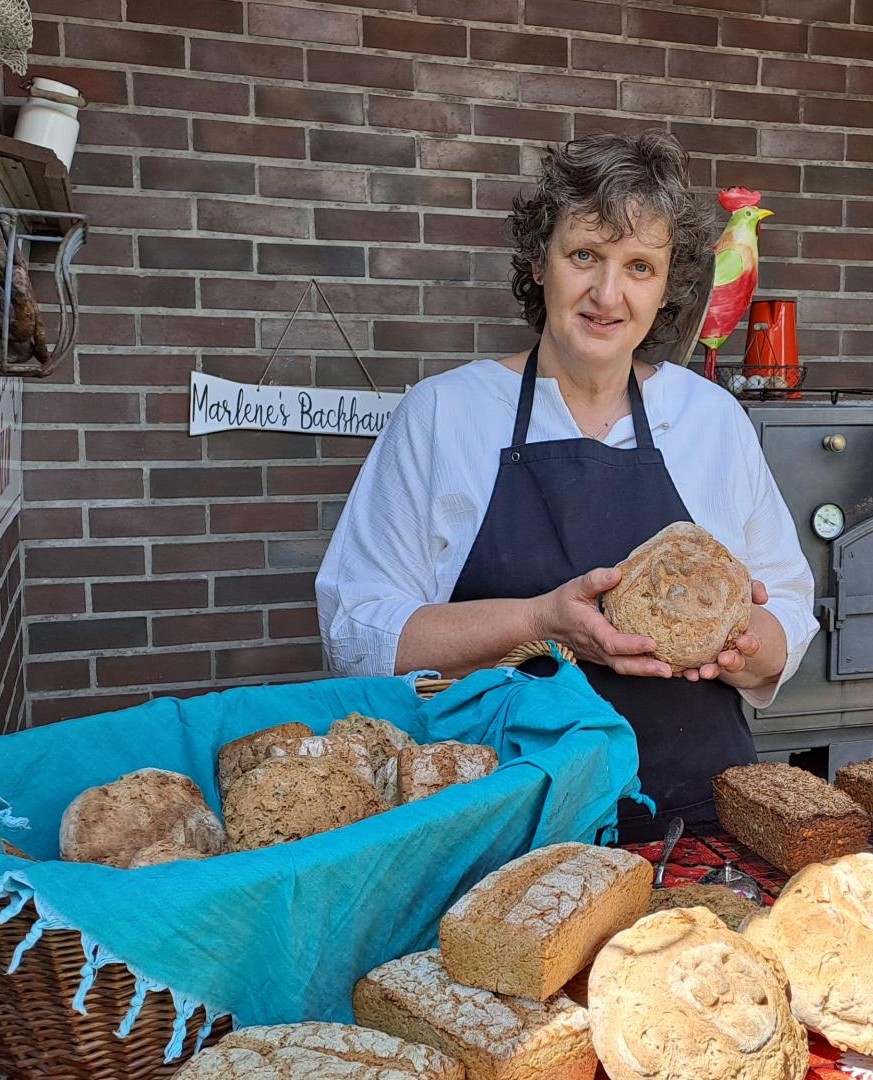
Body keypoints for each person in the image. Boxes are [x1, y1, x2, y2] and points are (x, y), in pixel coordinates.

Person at [315, 131, 816, 843]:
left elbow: (790, 611)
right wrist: (541, 622)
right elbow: (355, 634)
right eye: (585, 255)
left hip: (695, 825)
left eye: (639, 266)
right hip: (500, 834)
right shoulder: (444, 414)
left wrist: (744, 643)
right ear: (538, 263)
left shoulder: (709, 419)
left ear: (667, 285)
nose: (607, 295)